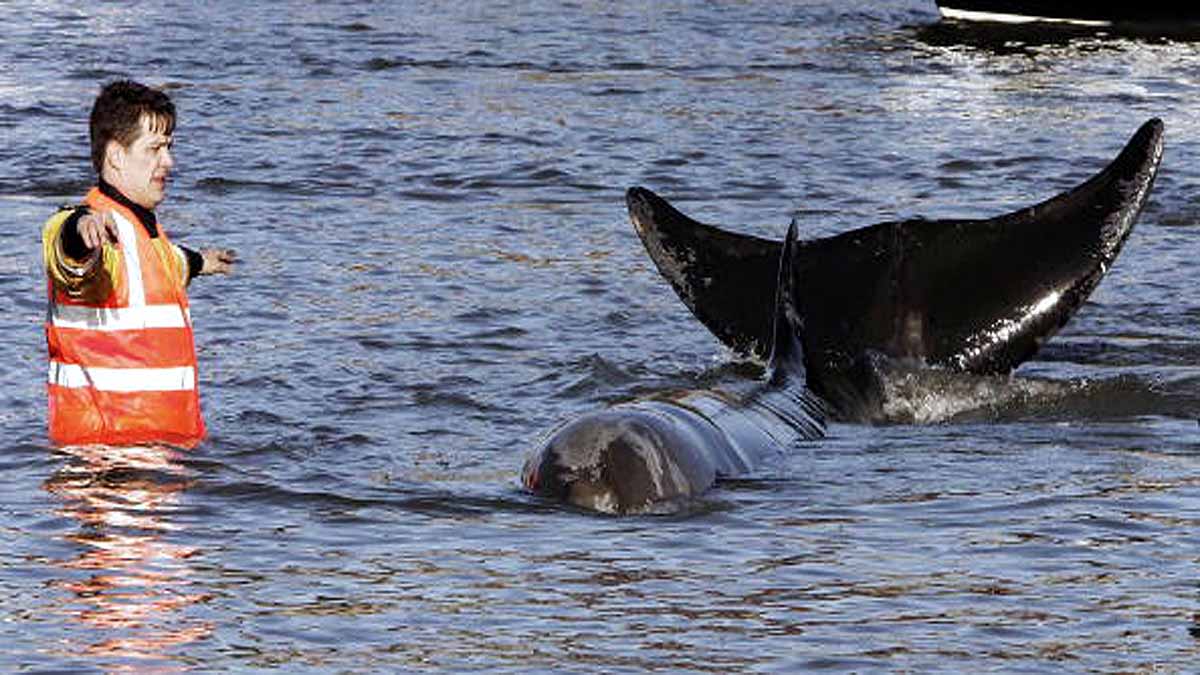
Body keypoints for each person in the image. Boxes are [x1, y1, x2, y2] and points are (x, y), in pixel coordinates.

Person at [42, 80, 235, 448]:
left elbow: (173, 263)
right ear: (116, 155)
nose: (168, 162)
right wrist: (82, 228)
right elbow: (66, 250)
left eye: (169, 147)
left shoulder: (149, 237)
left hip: (159, 454)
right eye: (155, 149)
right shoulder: (97, 230)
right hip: (106, 460)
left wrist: (203, 262)